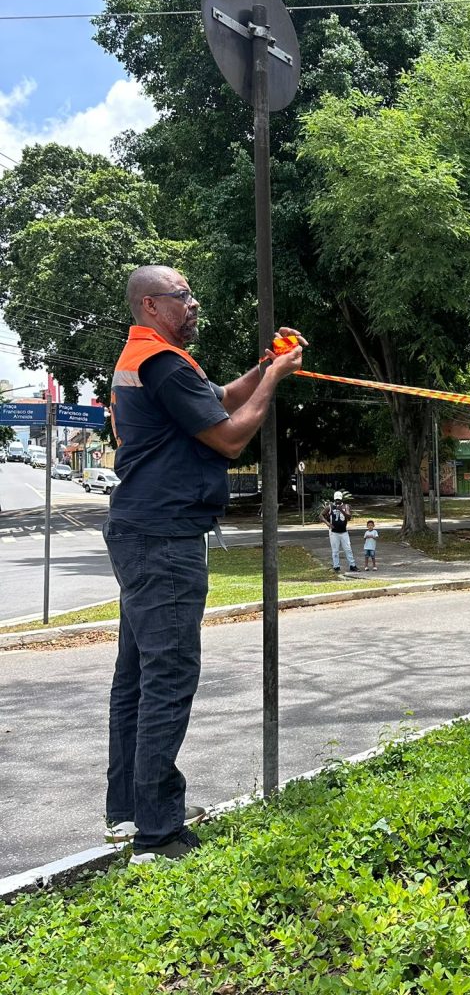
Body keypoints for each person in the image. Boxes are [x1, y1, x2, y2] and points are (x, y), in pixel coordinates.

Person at [104, 264, 305, 863]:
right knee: (167, 679)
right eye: (181, 296)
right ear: (150, 306)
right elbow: (230, 436)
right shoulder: (159, 362)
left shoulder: (155, 359)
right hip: (163, 538)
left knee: (137, 679)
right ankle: (159, 834)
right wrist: (274, 385)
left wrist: (266, 368)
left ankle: (131, 810)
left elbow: (217, 400)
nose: (193, 304)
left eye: (191, 294)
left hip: (145, 530)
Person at [322, 492, 358, 572]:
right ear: (334, 499)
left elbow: (349, 517)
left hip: (344, 532)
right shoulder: (330, 506)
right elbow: (321, 515)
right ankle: (336, 566)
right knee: (335, 550)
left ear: (341, 499)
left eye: (339, 499)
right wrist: (327, 523)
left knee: (348, 549)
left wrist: (341, 510)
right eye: (336, 499)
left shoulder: (346, 506)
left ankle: (352, 565)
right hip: (334, 532)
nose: (337, 501)